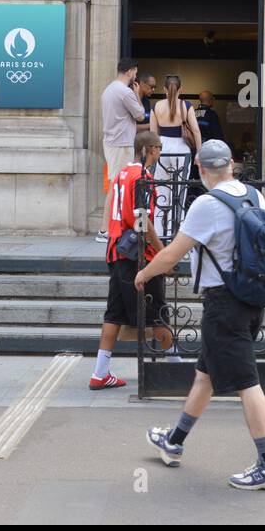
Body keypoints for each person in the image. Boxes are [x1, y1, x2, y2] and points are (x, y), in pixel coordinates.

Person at [137, 139, 265, 492]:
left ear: (202, 170)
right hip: (251, 299)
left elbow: (172, 254)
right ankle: (174, 441)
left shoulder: (207, 203)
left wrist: (144, 274)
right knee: (205, 375)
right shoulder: (254, 195)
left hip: (224, 304)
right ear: (231, 164)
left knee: (247, 384)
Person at [91, 131, 179, 389]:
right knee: (155, 312)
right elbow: (143, 220)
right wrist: (163, 252)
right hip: (136, 256)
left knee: (114, 314)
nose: (161, 152)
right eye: (159, 147)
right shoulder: (143, 177)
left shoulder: (121, 174)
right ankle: (178, 367)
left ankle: (100, 372)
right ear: (150, 149)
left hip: (117, 251)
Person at [97, 59, 147, 244]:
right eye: (135, 72)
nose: (136, 75)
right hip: (121, 143)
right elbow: (140, 114)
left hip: (112, 141)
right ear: (130, 71)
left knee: (116, 183)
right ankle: (104, 229)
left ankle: (112, 226)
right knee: (116, 185)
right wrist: (137, 94)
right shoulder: (125, 92)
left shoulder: (109, 89)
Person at [150, 75, 203, 237]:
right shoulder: (186, 106)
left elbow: (153, 134)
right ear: (181, 89)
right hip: (181, 149)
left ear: (164, 89)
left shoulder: (156, 106)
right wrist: (199, 153)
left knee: (161, 192)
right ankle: (178, 232)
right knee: (179, 192)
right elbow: (195, 130)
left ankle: (160, 233)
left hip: (162, 148)